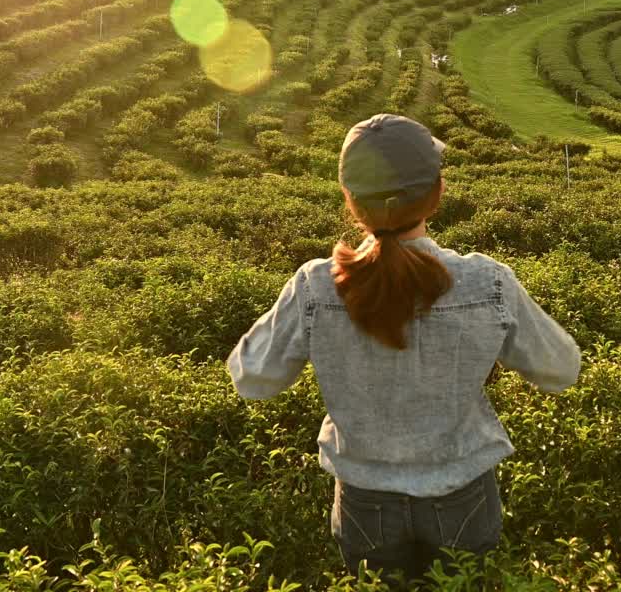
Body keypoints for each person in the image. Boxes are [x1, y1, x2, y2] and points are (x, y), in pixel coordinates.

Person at [227, 113, 581, 587]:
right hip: (462, 494)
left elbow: (252, 378)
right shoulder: (487, 281)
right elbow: (562, 370)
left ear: (350, 200)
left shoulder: (315, 285)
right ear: (436, 195)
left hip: (364, 500)